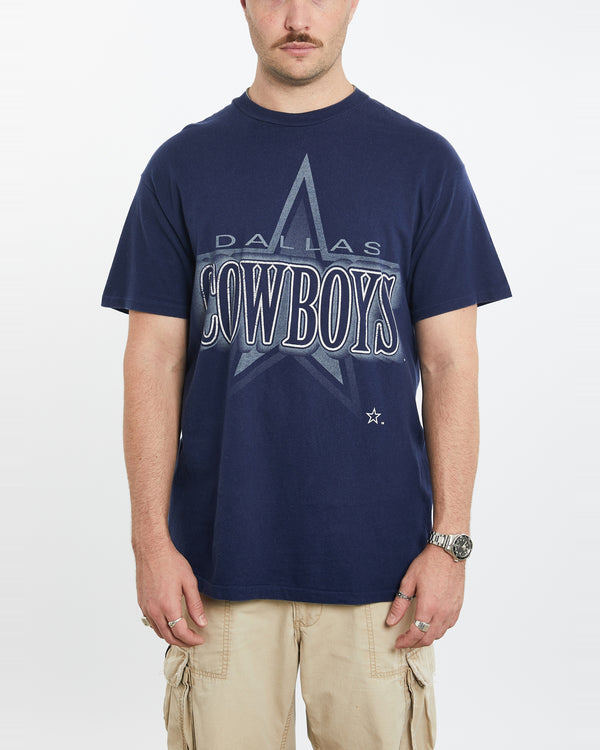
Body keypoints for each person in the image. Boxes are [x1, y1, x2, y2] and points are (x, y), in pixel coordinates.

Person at [101, 1, 511, 747]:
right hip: (216, 569)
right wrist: (149, 544)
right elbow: (151, 359)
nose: (296, 16)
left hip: (383, 576)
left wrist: (451, 543)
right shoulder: (182, 166)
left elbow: (451, 361)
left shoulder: (423, 164)